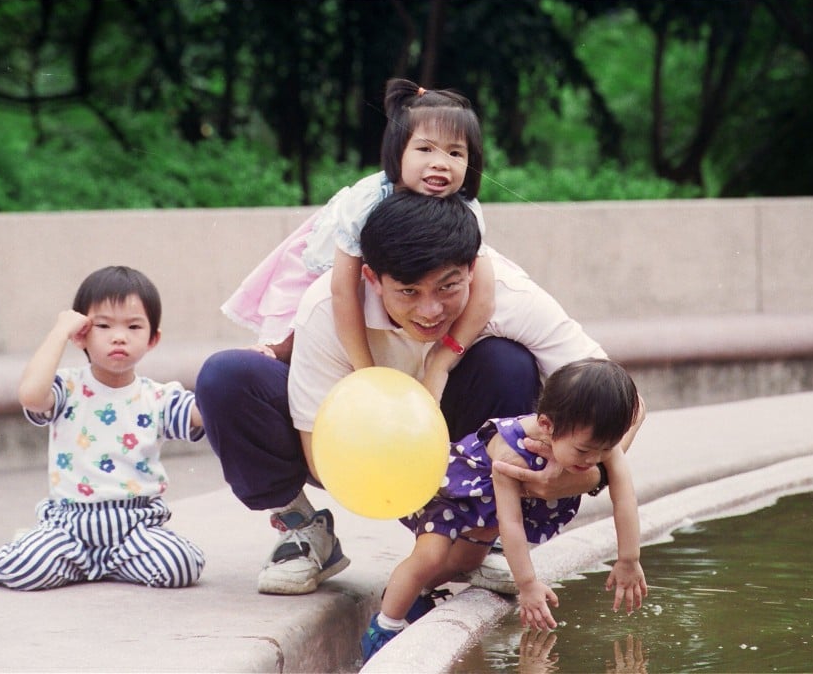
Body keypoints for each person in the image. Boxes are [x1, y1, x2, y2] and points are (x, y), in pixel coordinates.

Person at [196, 192, 630, 597]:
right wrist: (404, 477)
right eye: (408, 291)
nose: (430, 310)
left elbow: (626, 401)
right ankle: (303, 529)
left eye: (447, 287)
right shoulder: (327, 309)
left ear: (472, 271)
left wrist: (583, 476)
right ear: (372, 278)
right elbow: (317, 457)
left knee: (507, 361)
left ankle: (484, 537)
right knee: (228, 377)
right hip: (357, 452)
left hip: (470, 454)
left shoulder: (511, 297)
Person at [221, 77, 493, 402]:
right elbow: (342, 290)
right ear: (398, 153)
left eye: (455, 153)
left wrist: (442, 361)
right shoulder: (367, 200)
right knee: (304, 312)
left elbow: (484, 290)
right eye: (424, 149)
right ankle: (278, 348)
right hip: (326, 263)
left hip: (389, 283)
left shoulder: (465, 207)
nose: (440, 162)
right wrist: (365, 369)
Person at [360, 358, 648, 662]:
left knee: (465, 562)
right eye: (584, 451)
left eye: (604, 450)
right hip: (454, 493)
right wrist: (527, 585)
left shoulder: (598, 443)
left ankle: (416, 596)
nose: (595, 460)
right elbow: (510, 522)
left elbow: (625, 498)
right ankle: (384, 628)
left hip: (486, 511)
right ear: (547, 426)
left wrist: (629, 559)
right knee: (430, 557)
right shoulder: (512, 452)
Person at [0, 266, 206, 591]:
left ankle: (109, 563)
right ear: (81, 334)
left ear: (153, 338)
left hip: (136, 526)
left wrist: (240, 376)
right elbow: (31, 396)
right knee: (22, 568)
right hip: (69, 525)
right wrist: (59, 332)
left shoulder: (157, 396)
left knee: (181, 565)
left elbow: (202, 414)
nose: (119, 336)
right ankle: (54, 552)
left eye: (133, 326)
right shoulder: (67, 388)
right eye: (102, 325)